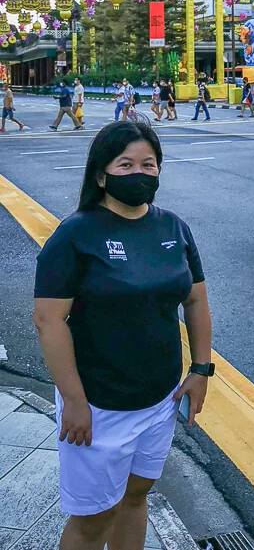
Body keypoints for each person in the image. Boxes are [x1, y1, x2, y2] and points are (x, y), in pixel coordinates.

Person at [34, 120, 213, 550]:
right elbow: (49, 321)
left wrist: (201, 368)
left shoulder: (173, 228)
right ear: (101, 174)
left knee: (135, 498)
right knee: (94, 520)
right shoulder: (76, 234)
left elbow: (195, 301)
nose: (139, 173)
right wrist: (74, 402)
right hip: (99, 406)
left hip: (159, 399)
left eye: (148, 164)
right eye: (126, 163)